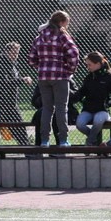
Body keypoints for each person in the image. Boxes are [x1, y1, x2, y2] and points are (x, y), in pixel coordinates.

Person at [28, 10, 79, 147]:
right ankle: (63, 140)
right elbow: (74, 53)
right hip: (60, 76)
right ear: (61, 22)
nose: (67, 26)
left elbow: (31, 59)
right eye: (67, 23)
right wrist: (69, 69)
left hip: (43, 77)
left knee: (47, 108)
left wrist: (41, 66)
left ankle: (44, 140)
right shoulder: (62, 36)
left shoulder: (39, 37)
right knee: (61, 108)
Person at [0, 42, 33, 147]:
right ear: (6, 52)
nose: (16, 55)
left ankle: (25, 145)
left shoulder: (12, 64)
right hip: (1, 103)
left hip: (10, 103)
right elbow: (5, 83)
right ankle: (25, 146)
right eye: (13, 52)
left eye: (17, 53)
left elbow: (12, 80)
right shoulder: (1, 64)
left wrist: (21, 79)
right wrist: (22, 80)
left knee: (14, 126)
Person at [74, 52, 111, 146]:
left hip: (102, 111)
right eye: (86, 65)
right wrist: (75, 97)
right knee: (79, 124)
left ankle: (90, 142)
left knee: (98, 121)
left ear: (98, 64)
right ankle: (94, 138)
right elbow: (81, 93)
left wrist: (107, 104)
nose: (87, 67)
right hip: (88, 110)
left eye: (89, 65)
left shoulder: (110, 77)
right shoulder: (89, 78)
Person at [30, 79, 79, 147]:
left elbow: (76, 97)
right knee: (41, 113)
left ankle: (61, 143)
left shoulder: (67, 80)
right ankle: (40, 144)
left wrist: (64, 91)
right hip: (46, 109)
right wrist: (47, 97)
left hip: (67, 110)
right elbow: (35, 101)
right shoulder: (44, 81)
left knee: (58, 113)